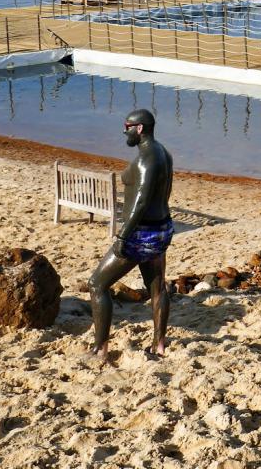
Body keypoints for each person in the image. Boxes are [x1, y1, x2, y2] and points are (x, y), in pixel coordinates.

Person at [89, 109, 174, 362]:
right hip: (161, 230)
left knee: (97, 284)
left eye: (127, 125)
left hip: (141, 235)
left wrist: (123, 237)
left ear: (139, 128)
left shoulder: (147, 159)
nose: (123, 130)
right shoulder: (164, 153)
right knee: (157, 288)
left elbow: (142, 200)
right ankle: (159, 345)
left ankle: (100, 349)